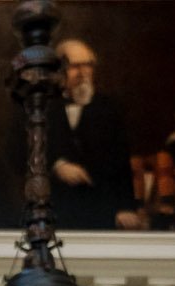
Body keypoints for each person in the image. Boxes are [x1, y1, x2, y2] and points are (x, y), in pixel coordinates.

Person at [47, 38, 141, 232]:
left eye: (88, 65)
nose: (83, 73)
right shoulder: (42, 106)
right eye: (76, 67)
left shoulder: (110, 108)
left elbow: (121, 161)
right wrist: (58, 166)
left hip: (102, 210)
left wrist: (125, 208)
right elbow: (17, 151)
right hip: (55, 211)